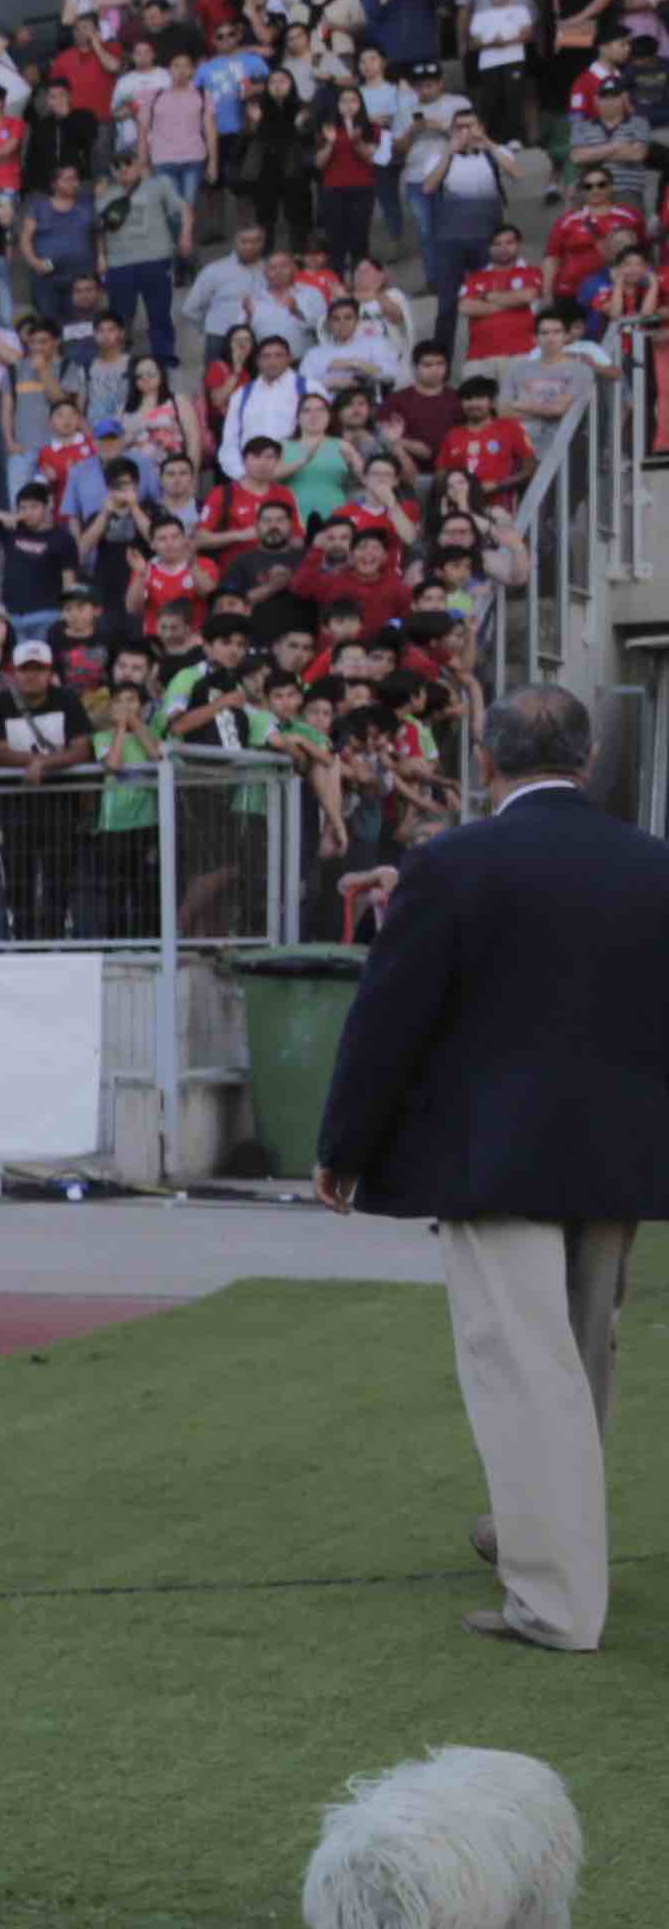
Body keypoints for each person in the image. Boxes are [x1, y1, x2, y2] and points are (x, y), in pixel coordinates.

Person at [309, 682, 669, 1651]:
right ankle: (541, 1542)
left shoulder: (453, 863)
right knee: (582, 1362)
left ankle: (554, 1600)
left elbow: (388, 1021)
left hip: (496, 1155)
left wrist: (343, 1148)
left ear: (487, 760)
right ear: (585, 762)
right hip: (619, 1158)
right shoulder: (653, 864)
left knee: (524, 1368)